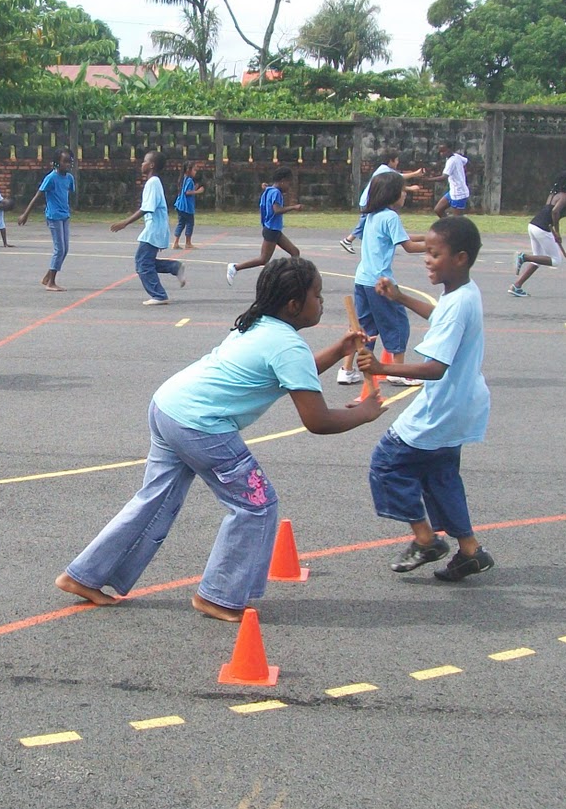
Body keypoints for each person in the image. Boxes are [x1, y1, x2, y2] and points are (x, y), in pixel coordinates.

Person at [55, 256, 385, 620]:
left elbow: (297, 375)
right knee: (256, 505)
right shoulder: (287, 345)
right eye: (317, 296)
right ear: (294, 305)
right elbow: (318, 420)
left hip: (169, 406)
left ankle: (86, 575)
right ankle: (219, 595)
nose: (322, 302)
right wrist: (365, 413)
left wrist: (340, 351)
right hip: (201, 425)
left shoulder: (257, 324)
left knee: (157, 498)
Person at [357, 215, 494, 582]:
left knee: (386, 463)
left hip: (443, 407)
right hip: (462, 405)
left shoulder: (458, 302)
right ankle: (470, 550)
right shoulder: (464, 293)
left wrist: (383, 367)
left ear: (460, 258)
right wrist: (399, 296)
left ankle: (425, 539)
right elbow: (440, 317)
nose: (426, 259)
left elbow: (435, 369)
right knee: (440, 475)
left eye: (435, 253)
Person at [347, 173, 427, 387]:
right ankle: (398, 371)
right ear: (392, 194)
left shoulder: (373, 215)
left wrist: (429, 237)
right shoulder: (391, 217)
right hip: (380, 283)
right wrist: (438, 246)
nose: (405, 195)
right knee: (398, 324)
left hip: (362, 279)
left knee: (364, 327)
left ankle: (348, 370)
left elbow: (404, 237)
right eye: (403, 191)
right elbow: (409, 247)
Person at [113, 150, 185, 305]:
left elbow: (147, 208)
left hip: (154, 229)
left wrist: (125, 222)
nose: (142, 164)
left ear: (151, 165)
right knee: (147, 261)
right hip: (156, 228)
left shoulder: (153, 183)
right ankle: (174, 267)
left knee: (142, 263)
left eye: (144, 161)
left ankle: (159, 295)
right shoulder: (154, 182)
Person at [226, 167, 304, 284]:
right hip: (272, 230)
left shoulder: (270, 190)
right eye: (288, 183)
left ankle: (294, 279)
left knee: (295, 252)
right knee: (263, 259)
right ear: (282, 181)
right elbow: (276, 210)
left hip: (273, 230)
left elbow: (268, 192)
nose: (289, 186)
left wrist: (266, 186)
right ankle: (235, 267)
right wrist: (294, 207)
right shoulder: (276, 193)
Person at [509, 175, 566, 297]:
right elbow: (555, 212)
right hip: (542, 228)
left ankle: (517, 286)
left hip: (533, 226)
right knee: (556, 261)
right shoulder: (565, 197)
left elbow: (556, 213)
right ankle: (524, 257)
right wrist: (557, 233)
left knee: (538, 259)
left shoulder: (554, 195)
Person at [17, 148, 77, 291]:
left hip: (64, 216)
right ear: (57, 163)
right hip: (53, 216)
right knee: (59, 249)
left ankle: (47, 277)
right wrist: (25, 214)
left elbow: (68, 193)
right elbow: (38, 196)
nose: (67, 165)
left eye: (70, 162)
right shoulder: (51, 178)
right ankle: (51, 283)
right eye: (65, 162)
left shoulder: (69, 178)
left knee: (65, 249)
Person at [340, 152, 419, 253]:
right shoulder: (384, 170)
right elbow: (397, 178)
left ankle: (356, 241)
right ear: (391, 160)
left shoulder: (385, 171)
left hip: (369, 199)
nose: (398, 163)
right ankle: (348, 240)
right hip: (369, 200)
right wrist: (414, 176)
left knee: (368, 225)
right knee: (364, 224)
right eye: (397, 160)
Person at [171, 163, 204, 250]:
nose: (195, 172)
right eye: (194, 170)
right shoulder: (189, 180)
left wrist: (194, 188)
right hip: (186, 206)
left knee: (181, 223)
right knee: (190, 223)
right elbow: (187, 192)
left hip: (179, 205)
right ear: (188, 170)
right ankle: (188, 243)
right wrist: (198, 191)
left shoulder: (183, 179)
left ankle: (175, 242)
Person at [432, 144, 470, 218]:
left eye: (444, 151)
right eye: (440, 152)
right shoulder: (457, 156)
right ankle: (448, 225)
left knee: (457, 220)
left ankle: (455, 228)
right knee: (438, 210)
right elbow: (467, 162)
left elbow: (444, 177)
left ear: (449, 149)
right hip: (453, 191)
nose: (442, 154)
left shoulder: (451, 161)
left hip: (459, 193)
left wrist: (428, 180)